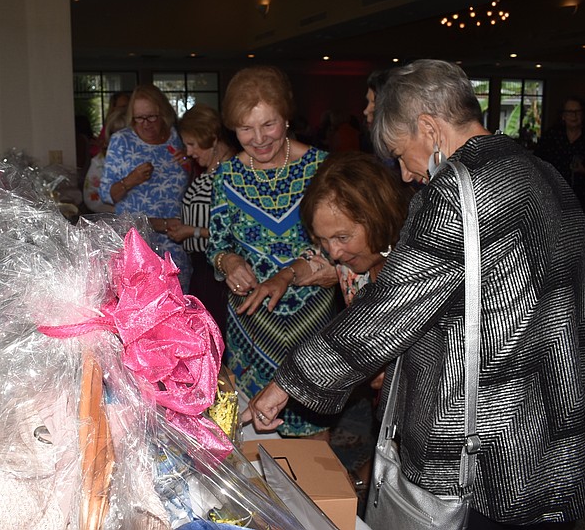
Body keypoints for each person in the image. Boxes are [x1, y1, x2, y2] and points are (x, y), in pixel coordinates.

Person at [246, 59, 585, 528]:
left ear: (429, 129)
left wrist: (288, 382)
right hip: (559, 423)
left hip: (491, 445)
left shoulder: (458, 191)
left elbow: (390, 309)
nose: (403, 174)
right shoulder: (544, 173)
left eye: (401, 153)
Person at [207, 65, 339, 438]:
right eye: (245, 129)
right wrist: (229, 261)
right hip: (251, 324)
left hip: (311, 319)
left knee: (312, 422)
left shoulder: (322, 168)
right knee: (250, 430)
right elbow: (217, 245)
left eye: (269, 124)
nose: (259, 138)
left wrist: (294, 272)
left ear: (286, 118)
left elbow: (338, 246)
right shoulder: (227, 176)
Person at [298, 151, 411, 489]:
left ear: (378, 218)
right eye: (323, 240)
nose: (333, 253)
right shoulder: (352, 266)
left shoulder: (415, 268)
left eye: (342, 238)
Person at [100, 84, 193, 292]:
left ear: (164, 114)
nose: (145, 124)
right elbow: (106, 194)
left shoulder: (177, 138)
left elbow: (195, 185)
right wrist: (130, 180)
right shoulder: (122, 141)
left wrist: (190, 165)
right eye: (139, 118)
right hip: (137, 245)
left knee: (177, 301)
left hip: (175, 242)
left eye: (151, 117)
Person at [166, 104, 236, 332]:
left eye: (192, 144)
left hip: (218, 272)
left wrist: (191, 231)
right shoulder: (207, 169)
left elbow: (235, 230)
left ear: (212, 138)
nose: (188, 151)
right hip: (201, 268)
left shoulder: (231, 172)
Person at [535, 96, 585, 227]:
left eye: (577, 112)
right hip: (554, 199)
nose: (574, 116)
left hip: (583, 199)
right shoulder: (551, 137)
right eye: (569, 112)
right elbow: (537, 163)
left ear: (583, 115)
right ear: (563, 116)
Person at [83, 105, 126, 213]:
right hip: (111, 218)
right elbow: (90, 199)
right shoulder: (100, 162)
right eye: (115, 135)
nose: (121, 141)